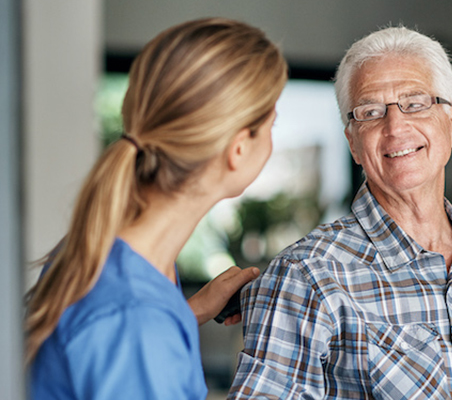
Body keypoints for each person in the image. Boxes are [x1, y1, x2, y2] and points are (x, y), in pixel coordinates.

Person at [228, 25, 452, 399]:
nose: (395, 127)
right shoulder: (306, 276)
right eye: (370, 112)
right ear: (354, 143)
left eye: (415, 103)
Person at [26, 18, 287, 400]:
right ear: (238, 148)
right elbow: (129, 335)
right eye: (270, 125)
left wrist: (190, 311)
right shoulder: (136, 322)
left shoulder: (100, 250)